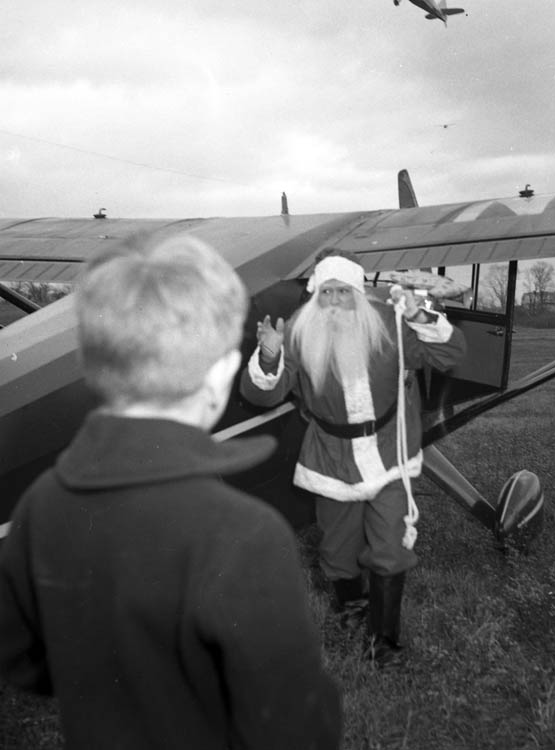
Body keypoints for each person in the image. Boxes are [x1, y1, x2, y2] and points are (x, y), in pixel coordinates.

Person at [0, 235, 341, 749]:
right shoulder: (248, 534)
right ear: (224, 371)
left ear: (95, 371)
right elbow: (296, 722)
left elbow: (19, 650)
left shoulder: (41, 505)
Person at [240, 248, 466, 665]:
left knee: (391, 544)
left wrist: (418, 316)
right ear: (314, 294)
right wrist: (270, 355)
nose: (335, 302)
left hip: (388, 451)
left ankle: (384, 642)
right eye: (326, 292)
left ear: (358, 292)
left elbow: (451, 355)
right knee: (337, 547)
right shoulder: (296, 334)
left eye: (344, 292)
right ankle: (351, 606)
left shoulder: (390, 323)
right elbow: (262, 394)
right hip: (330, 457)